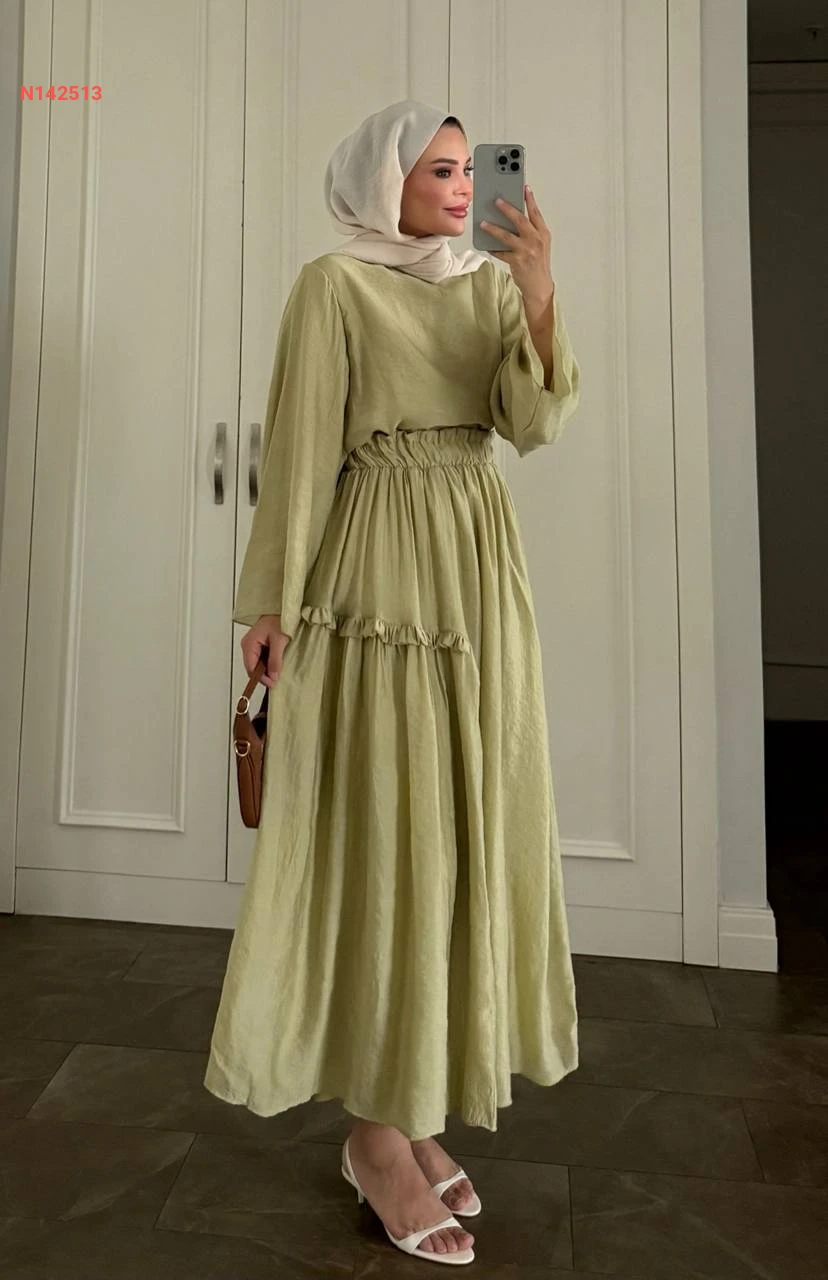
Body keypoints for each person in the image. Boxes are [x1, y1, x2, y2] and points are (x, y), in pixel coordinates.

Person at [204, 99, 581, 1267]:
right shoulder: (334, 286)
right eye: (441, 170)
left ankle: (410, 1106)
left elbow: (535, 422)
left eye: (471, 170)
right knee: (390, 833)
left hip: (479, 575)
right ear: (385, 181)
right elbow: (300, 448)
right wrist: (270, 605)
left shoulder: (487, 286)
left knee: (462, 830)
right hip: (375, 573)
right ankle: (375, 1134)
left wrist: (539, 292)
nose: (464, 188)